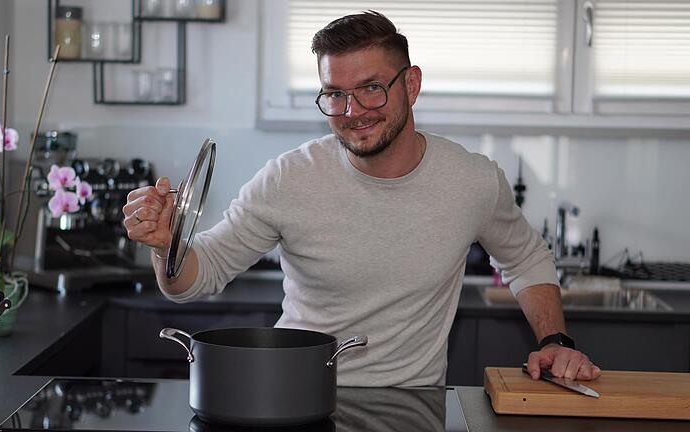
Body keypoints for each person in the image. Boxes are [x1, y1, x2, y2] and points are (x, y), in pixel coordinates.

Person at [122, 11, 600, 387]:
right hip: (295, 396)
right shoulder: (287, 178)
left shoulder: (472, 180)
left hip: (411, 405)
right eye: (334, 94)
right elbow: (195, 279)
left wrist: (555, 339)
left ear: (410, 85)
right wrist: (168, 246)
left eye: (371, 89)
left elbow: (526, 258)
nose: (352, 112)